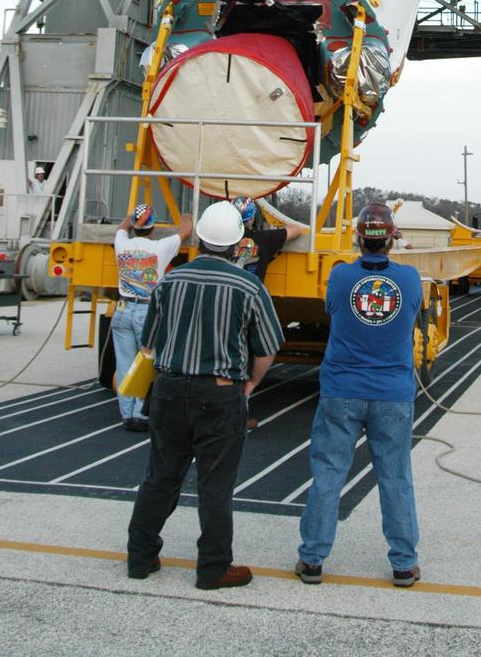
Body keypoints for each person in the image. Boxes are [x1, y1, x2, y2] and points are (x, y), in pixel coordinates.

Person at [126, 201, 283, 590]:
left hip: (167, 390)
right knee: (215, 485)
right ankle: (213, 568)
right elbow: (267, 349)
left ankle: (140, 558)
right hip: (220, 395)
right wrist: (248, 385)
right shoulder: (249, 286)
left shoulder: (168, 281)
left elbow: (149, 346)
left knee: (159, 478)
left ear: (199, 240)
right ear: (235, 244)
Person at [296, 201, 423, 587]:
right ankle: (403, 563)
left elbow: (334, 311)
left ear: (357, 237)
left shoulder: (339, 278)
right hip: (393, 394)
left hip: (342, 390)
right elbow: (412, 311)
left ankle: (313, 558)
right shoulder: (410, 279)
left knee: (329, 474)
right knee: (396, 478)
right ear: (392, 238)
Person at [112, 204, 191, 431]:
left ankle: (128, 414)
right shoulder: (160, 248)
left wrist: (131, 215)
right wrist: (186, 213)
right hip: (146, 311)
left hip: (123, 309)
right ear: (153, 227)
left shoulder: (121, 244)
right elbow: (185, 230)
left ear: (135, 226)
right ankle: (141, 413)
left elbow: (121, 226)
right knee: (147, 364)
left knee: (125, 364)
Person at [231, 195, 306, 283]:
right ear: (252, 218)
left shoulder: (222, 240)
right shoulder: (265, 239)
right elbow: (297, 229)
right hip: (252, 294)